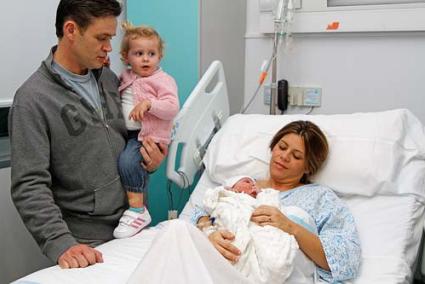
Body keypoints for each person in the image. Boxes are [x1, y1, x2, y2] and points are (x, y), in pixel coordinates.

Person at [9, 0, 166, 270]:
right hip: (86, 240)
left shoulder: (108, 79)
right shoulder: (33, 100)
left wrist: (149, 161)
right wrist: (62, 243)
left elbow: (122, 140)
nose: (109, 47)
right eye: (101, 38)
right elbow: (29, 185)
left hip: (133, 221)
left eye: (111, 38)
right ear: (71, 30)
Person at [193, 120, 361, 282]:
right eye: (281, 147)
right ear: (273, 148)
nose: (284, 157)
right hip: (223, 265)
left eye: (296, 156)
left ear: (308, 167)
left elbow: (345, 260)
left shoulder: (320, 197)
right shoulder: (240, 185)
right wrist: (209, 233)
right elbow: (206, 210)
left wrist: (290, 226)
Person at [113, 23, 179, 239]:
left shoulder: (162, 80)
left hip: (149, 136)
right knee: (127, 161)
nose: (145, 59)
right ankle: (136, 210)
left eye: (151, 54)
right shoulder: (125, 77)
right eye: (138, 53)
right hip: (131, 134)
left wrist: (150, 104)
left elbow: (171, 108)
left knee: (128, 162)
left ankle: (137, 210)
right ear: (126, 57)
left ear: (159, 56)